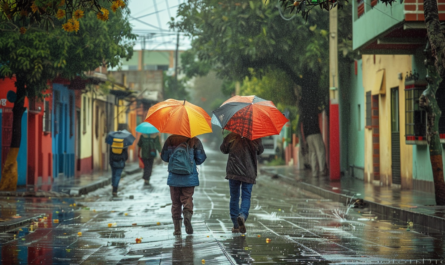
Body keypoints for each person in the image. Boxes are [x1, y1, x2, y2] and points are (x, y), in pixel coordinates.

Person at [161, 134, 207, 236]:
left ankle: (177, 229)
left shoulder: (171, 140)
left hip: (174, 176)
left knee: (176, 203)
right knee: (187, 198)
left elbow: (164, 157)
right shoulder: (194, 140)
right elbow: (201, 158)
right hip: (189, 176)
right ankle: (187, 215)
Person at [220, 132, 264, 234]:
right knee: (246, 196)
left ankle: (236, 225)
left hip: (234, 172)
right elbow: (260, 150)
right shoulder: (256, 136)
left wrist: (225, 138)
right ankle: (242, 216)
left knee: (234, 197)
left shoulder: (231, 136)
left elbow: (223, 149)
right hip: (249, 171)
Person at [300, 109, 327, 177]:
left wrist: (305, 138)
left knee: (313, 153)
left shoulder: (304, 115)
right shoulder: (313, 111)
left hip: (308, 136)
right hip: (316, 133)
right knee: (320, 151)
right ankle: (322, 170)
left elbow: (303, 127)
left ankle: (314, 172)